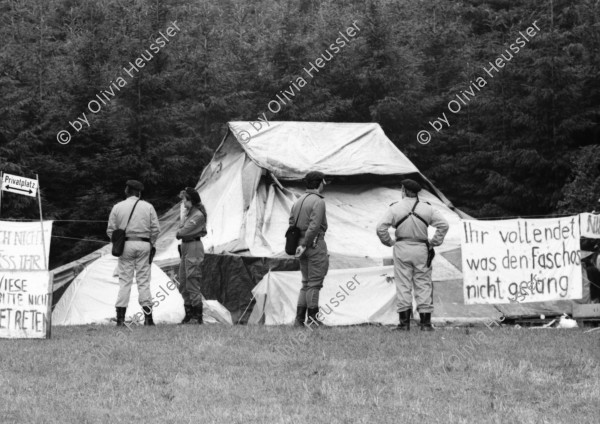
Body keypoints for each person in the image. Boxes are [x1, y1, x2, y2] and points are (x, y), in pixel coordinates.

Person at [376, 179, 449, 331]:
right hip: (422, 248)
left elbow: (380, 228)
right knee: (423, 284)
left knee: (403, 284)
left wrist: (389, 242)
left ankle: (404, 324)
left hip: (402, 248)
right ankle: (426, 324)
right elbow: (444, 225)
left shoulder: (395, 208)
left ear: (403, 190)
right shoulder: (427, 209)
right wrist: (434, 242)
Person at [107, 180, 160, 326]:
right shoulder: (148, 207)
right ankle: (148, 319)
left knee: (125, 282)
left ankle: (120, 319)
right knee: (144, 281)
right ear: (139, 192)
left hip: (125, 245)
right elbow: (155, 229)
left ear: (127, 191)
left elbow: (110, 230)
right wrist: (151, 243)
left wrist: (117, 243)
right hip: (144, 244)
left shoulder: (117, 207)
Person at [290, 171, 329, 328]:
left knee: (305, 283)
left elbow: (291, 222)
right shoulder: (318, 201)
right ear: (319, 183)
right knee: (314, 283)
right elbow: (314, 226)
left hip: (301, 245)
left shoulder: (298, 200)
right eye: (324, 182)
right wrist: (306, 243)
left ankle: (299, 320)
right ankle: (313, 321)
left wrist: (299, 244)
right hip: (313, 244)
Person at [176, 187, 208, 324]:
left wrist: (181, 230)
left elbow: (180, 233)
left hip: (193, 247)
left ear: (191, 200)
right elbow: (181, 229)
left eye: (184, 199)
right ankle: (189, 314)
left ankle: (197, 316)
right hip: (185, 247)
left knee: (192, 280)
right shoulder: (189, 214)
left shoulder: (198, 215)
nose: (182, 202)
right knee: (183, 282)